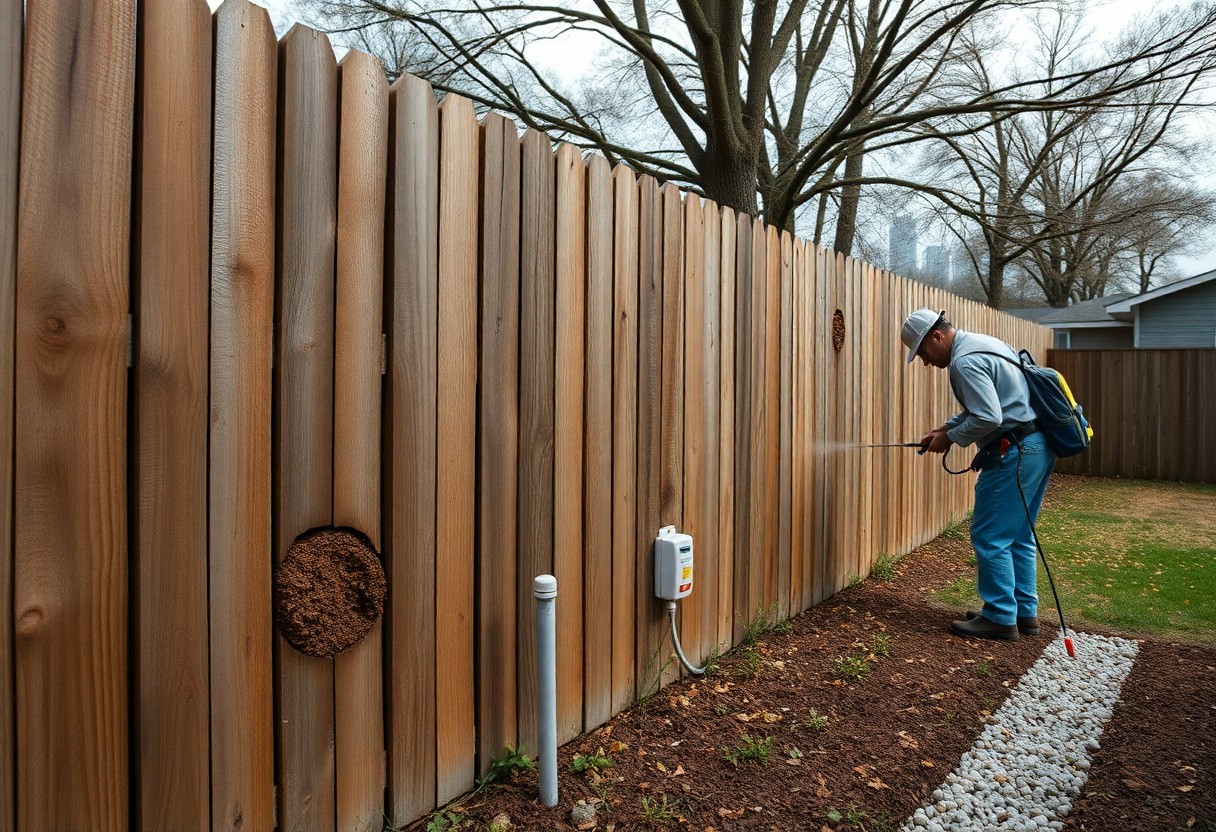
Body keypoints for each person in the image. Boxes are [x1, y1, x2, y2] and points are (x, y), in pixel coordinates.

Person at [901, 308, 1055, 641]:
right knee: (1019, 535)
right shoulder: (984, 343)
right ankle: (1022, 613)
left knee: (990, 536)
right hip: (1037, 445)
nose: (926, 362)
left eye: (923, 353)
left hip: (1013, 451)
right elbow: (990, 404)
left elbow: (987, 417)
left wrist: (950, 438)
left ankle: (1000, 616)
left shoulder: (964, 362)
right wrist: (946, 428)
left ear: (937, 336)